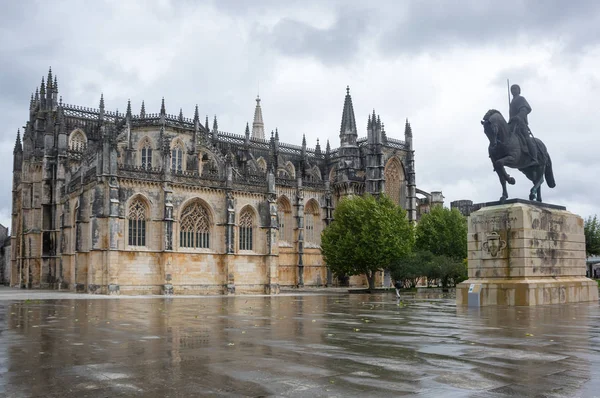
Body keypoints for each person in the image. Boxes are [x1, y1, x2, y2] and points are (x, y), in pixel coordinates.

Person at [509, 84, 537, 162]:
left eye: (515, 89)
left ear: (519, 90)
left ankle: (534, 158)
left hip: (520, 123)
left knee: (527, 138)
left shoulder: (520, 99)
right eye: (512, 89)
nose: (513, 90)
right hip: (512, 124)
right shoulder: (512, 102)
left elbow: (524, 110)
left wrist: (518, 117)